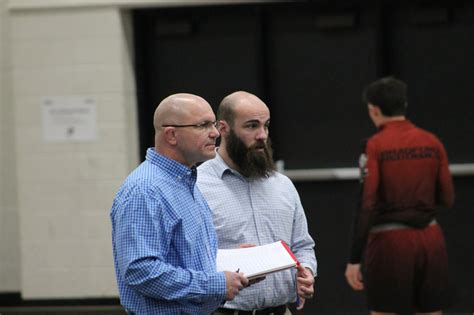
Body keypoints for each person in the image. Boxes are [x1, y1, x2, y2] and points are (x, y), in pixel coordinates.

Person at [110, 93, 249, 315]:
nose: (215, 133)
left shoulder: (186, 182)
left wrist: (232, 260)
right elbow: (141, 271)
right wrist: (216, 284)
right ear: (172, 135)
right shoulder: (145, 190)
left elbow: (184, 256)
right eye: (203, 125)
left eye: (213, 123)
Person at [197, 91, 317, 315]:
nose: (262, 135)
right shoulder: (197, 186)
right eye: (251, 126)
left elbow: (302, 246)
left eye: (266, 125)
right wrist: (226, 263)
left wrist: (307, 271)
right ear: (223, 129)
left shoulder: (282, 185)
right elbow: (187, 258)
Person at [345, 77, 455, 315]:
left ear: (373, 110)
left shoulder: (374, 145)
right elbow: (447, 197)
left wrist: (354, 258)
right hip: (431, 240)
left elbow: (367, 204)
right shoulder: (432, 142)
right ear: (403, 105)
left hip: (389, 244)